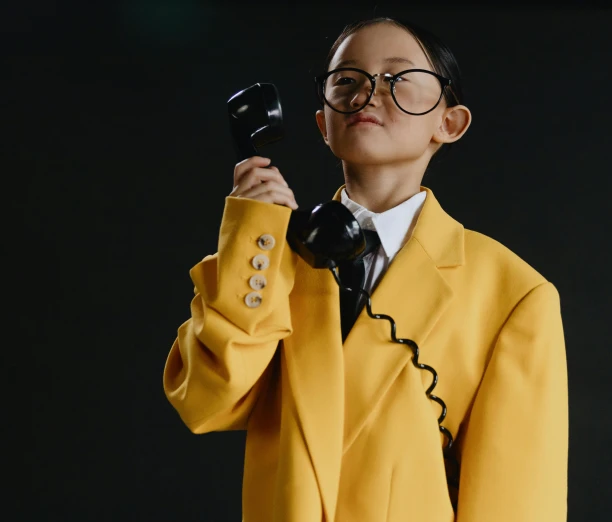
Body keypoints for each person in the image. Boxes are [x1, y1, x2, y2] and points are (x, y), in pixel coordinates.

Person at [163, 15, 568, 522]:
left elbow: (518, 501)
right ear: (322, 123)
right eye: (346, 81)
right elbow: (204, 400)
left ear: (449, 122)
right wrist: (254, 232)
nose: (368, 94)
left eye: (399, 80)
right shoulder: (268, 258)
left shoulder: (512, 293)